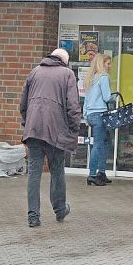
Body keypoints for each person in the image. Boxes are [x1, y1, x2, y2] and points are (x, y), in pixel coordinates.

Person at [20, 48, 81, 228]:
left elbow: (23, 103)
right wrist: (73, 128)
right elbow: (73, 106)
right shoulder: (67, 74)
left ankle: (33, 216)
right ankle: (60, 209)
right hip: (55, 130)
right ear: (64, 61)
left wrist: (28, 122)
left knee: (34, 174)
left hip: (34, 129)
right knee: (57, 171)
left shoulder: (34, 71)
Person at [83, 53, 114, 187]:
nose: (110, 66)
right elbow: (107, 97)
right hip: (100, 114)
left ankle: (101, 172)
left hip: (91, 114)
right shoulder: (103, 77)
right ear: (102, 64)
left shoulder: (91, 78)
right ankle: (93, 175)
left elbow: (86, 100)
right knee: (99, 144)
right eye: (108, 63)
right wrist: (114, 96)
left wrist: (86, 116)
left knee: (105, 142)